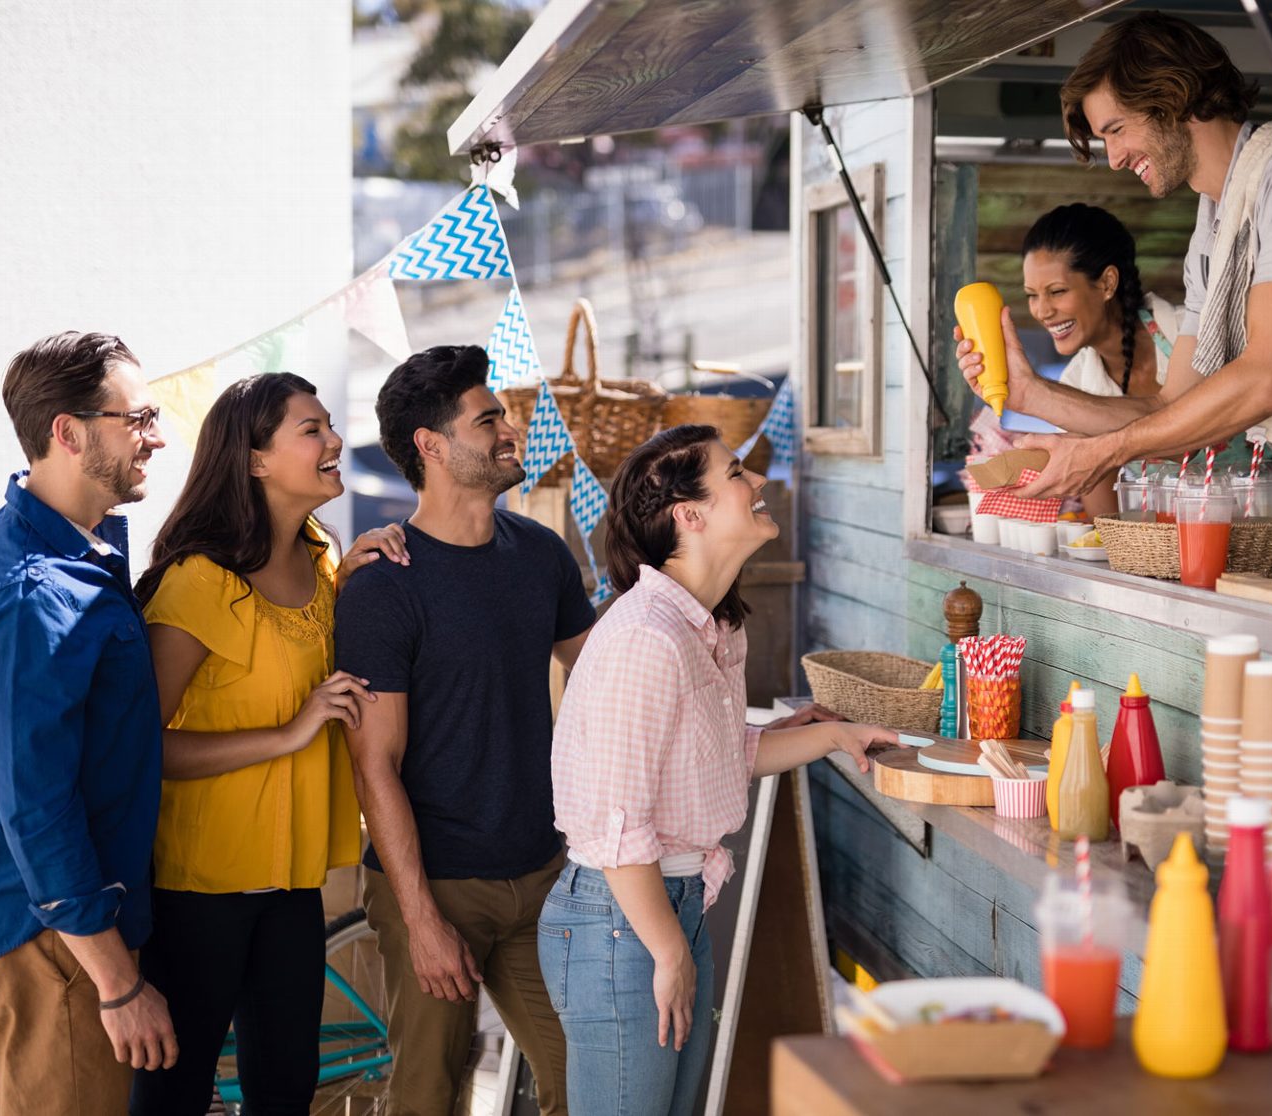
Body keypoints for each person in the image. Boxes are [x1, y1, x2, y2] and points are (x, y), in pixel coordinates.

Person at [542, 424, 895, 1116]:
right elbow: (618, 830)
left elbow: (723, 759)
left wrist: (833, 738)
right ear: (689, 515)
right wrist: (669, 952)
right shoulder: (647, 637)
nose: (758, 482)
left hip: (663, 916)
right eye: (737, 473)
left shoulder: (707, 627)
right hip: (623, 925)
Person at [961, 13, 1272, 525]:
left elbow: (1269, 378)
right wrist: (1029, 392)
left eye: (1117, 130)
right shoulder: (1215, 224)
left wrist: (1106, 451)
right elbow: (1170, 407)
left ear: (1172, 97)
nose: (1113, 159)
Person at [127, 373, 409, 1115]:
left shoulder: (321, 560)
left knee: (287, 1090)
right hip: (199, 892)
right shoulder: (196, 583)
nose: (335, 441)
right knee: (173, 1097)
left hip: (293, 886)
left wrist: (353, 583)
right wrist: (288, 733)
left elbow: (305, 656)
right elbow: (139, 750)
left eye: (328, 426)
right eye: (310, 429)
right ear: (254, 460)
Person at [333, 344, 592, 1115]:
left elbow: (609, 672)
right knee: (429, 1097)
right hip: (437, 885)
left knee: (586, 1082)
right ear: (432, 445)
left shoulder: (541, 554)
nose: (511, 429)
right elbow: (374, 763)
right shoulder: (385, 584)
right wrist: (420, 920)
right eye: (489, 419)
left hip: (542, 873)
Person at [0, 331, 177, 1114]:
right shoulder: (32, 594)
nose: (157, 435)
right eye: (135, 418)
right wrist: (115, 983)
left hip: (70, 935)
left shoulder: (83, 548)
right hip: (52, 947)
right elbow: (37, 804)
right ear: (68, 434)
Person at [1019, 202, 1272, 519]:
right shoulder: (1075, 386)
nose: (1041, 310)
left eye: (1056, 291)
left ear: (1108, 283)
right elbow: (1108, 521)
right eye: (1031, 295)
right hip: (1177, 552)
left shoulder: (1193, 334)